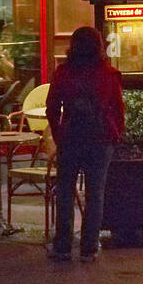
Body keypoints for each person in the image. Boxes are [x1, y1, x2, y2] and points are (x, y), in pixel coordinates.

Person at [46, 26, 124, 262]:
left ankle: (62, 246)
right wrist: (115, 134)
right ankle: (89, 247)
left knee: (65, 192)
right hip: (100, 139)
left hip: (70, 138)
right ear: (99, 46)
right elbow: (118, 109)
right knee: (95, 194)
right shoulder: (108, 74)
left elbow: (52, 108)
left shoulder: (63, 73)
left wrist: (59, 134)